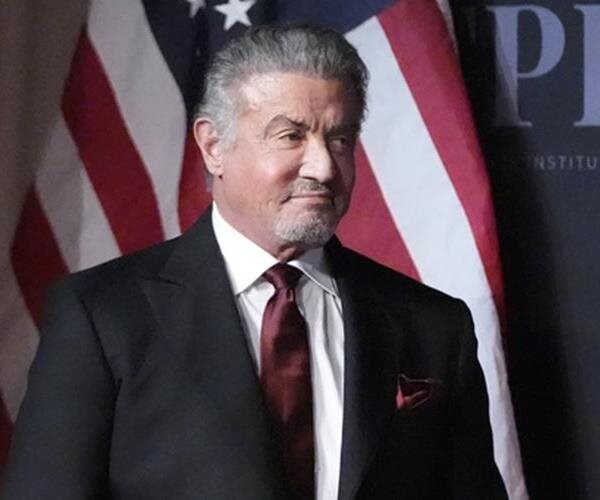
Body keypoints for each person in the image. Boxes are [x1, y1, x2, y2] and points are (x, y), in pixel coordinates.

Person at [2, 25, 507, 499]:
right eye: (291, 136)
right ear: (213, 146)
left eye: (339, 139)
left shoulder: (434, 326)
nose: (323, 167)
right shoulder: (103, 317)